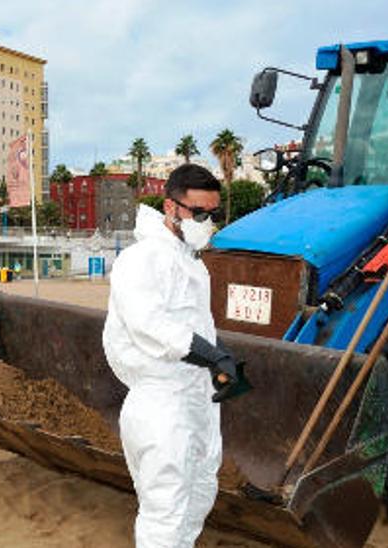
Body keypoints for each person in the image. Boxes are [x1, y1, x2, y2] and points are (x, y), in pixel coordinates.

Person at [102, 164, 245, 547]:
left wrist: (219, 360)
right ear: (170, 206)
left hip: (194, 402)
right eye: (199, 213)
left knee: (197, 495)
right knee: (165, 510)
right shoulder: (141, 259)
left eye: (213, 214)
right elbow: (150, 325)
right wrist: (211, 356)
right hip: (160, 405)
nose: (207, 222)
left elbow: (198, 327)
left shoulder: (190, 262)